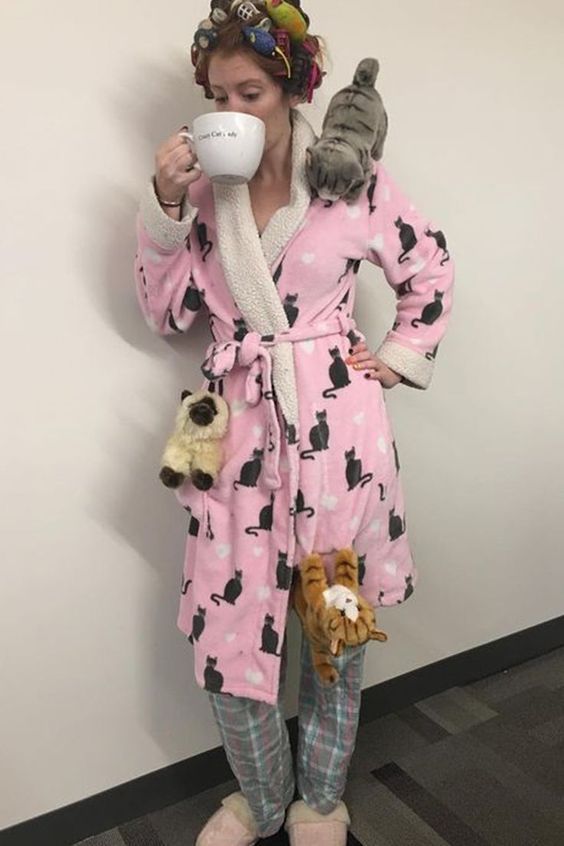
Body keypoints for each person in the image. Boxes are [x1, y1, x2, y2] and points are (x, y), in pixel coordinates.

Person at [134, 2, 454, 844]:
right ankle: (262, 799)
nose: (232, 112)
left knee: (333, 634)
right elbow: (165, 315)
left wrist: (397, 354)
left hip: (336, 435)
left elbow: (431, 269)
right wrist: (165, 205)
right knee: (225, 636)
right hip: (233, 429)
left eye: (251, 92)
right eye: (217, 95)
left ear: (293, 88)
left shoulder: (354, 181)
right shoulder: (203, 194)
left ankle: (319, 800)